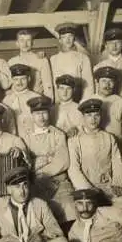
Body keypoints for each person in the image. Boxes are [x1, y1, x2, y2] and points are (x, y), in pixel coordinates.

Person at [67, 99, 122, 210]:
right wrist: (89, 189)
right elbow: (73, 169)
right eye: (89, 115)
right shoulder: (74, 140)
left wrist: (118, 184)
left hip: (108, 186)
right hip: (86, 188)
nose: (93, 119)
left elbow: (117, 163)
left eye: (96, 115)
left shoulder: (109, 137)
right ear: (83, 117)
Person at [24, 96, 76, 224]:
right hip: (37, 184)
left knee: (69, 207)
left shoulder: (58, 134)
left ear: (49, 113)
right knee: (35, 211)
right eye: (37, 114)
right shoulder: (26, 137)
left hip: (59, 183)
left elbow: (63, 162)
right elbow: (25, 162)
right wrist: (45, 159)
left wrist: (39, 168)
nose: (41, 117)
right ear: (32, 115)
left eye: (44, 113)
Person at [50, 23, 94, 102]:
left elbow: (88, 84)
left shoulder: (83, 58)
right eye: (64, 37)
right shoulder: (53, 59)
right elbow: (52, 84)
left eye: (70, 36)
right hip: (58, 102)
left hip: (77, 99)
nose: (68, 40)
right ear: (60, 40)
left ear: (74, 39)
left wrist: (84, 102)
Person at [8, 30, 53, 100]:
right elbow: (10, 85)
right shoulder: (11, 62)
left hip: (36, 100)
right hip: (17, 100)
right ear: (17, 43)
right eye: (22, 40)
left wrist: (49, 103)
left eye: (28, 40)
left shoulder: (41, 60)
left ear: (32, 43)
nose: (25, 44)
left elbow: (48, 85)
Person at [91, 66, 122, 147]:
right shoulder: (89, 100)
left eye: (111, 81)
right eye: (104, 81)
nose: (107, 85)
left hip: (117, 145)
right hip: (95, 146)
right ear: (97, 82)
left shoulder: (121, 102)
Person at [2, 64, 42, 139]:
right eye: (16, 79)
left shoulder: (36, 98)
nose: (19, 83)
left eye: (23, 79)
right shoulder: (6, 100)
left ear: (29, 79)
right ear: (11, 80)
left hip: (34, 139)